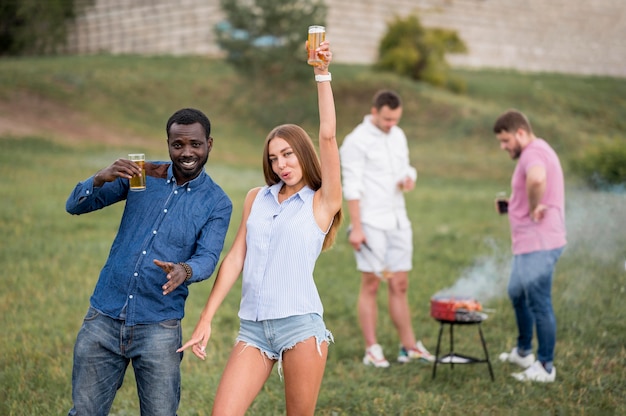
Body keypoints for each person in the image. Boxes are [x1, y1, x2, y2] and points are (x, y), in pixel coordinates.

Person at [178, 40, 341, 416]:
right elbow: (235, 258)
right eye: (274, 157)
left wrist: (321, 73)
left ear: (302, 153)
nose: (282, 164)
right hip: (252, 329)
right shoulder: (257, 197)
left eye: (288, 154)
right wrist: (206, 319)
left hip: (300, 327)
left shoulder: (322, 201)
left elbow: (329, 135)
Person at [65, 108, 233, 415]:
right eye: (177, 145)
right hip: (103, 316)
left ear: (209, 144)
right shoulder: (143, 175)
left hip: (159, 326)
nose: (186, 153)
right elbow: (74, 206)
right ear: (167, 143)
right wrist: (101, 177)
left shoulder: (217, 202)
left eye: (195, 144)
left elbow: (208, 256)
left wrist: (186, 269)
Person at [339, 90, 434, 368]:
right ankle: (372, 348)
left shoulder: (398, 135)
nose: (392, 124)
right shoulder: (356, 141)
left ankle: (409, 347)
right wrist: (356, 228)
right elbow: (352, 185)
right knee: (371, 285)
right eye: (387, 119)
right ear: (375, 111)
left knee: (400, 284)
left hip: (398, 220)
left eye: (396, 119)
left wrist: (409, 178)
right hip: (370, 222)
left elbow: (406, 168)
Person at [493, 109, 566, 383]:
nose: (504, 147)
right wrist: (514, 205)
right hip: (529, 243)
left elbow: (536, 179)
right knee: (517, 292)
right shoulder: (538, 150)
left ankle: (545, 366)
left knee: (539, 302)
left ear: (520, 133)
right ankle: (523, 351)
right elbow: (531, 186)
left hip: (539, 243)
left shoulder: (533, 153)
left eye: (505, 141)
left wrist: (534, 207)